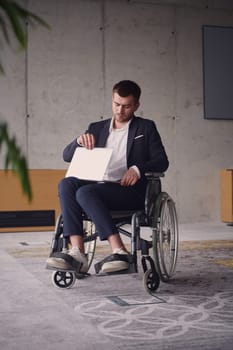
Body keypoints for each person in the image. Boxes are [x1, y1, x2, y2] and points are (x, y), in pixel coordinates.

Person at [46, 80, 169, 273]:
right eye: (116, 104)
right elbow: (66, 156)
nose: (120, 111)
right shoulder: (96, 128)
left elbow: (162, 161)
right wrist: (78, 141)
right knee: (66, 184)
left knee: (85, 193)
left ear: (136, 105)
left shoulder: (145, 128)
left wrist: (137, 169)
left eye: (126, 106)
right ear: (112, 101)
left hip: (128, 191)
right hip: (96, 188)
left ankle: (119, 251)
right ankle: (77, 252)